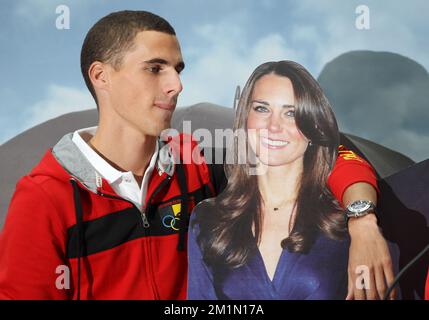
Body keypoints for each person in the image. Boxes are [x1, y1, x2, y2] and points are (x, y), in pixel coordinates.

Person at [0, 11, 392, 300]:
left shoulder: (193, 166)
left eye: (177, 68)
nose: (176, 84)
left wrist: (362, 220)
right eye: (155, 68)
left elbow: (318, 149)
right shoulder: (45, 200)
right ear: (101, 77)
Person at [188, 60, 395, 300]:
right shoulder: (208, 218)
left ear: (313, 125)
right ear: (244, 118)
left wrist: (363, 223)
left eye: (291, 113)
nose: (274, 126)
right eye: (262, 109)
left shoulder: (344, 219)